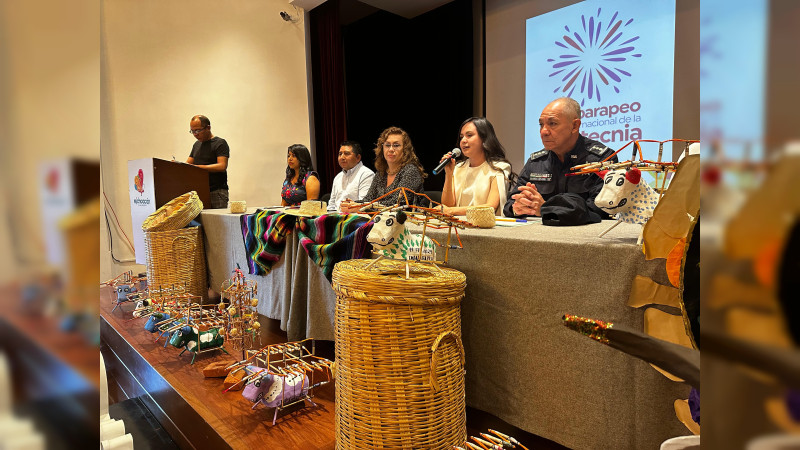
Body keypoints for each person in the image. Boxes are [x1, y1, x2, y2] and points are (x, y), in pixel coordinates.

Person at [503, 97, 618, 218]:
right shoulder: (536, 162)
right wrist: (519, 207)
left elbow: (600, 209)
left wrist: (546, 209)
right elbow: (510, 204)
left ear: (575, 126)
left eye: (552, 123)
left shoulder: (602, 159)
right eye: (541, 124)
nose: (543, 132)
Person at [439, 117, 515, 216]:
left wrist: (452, 211)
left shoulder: (499, 168)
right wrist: (449, 174)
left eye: (469, 135)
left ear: (484, 138)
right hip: (458, 223)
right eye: (461, 137)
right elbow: (447, 206)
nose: (463, 140)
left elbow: (490, 208)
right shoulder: (458, 168)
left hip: (485, 224)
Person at [340, 126, 425, 212]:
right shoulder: (381, 172)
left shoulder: (411, 171)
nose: (391, 149)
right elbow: (369, 199)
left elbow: (397, 203)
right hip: (382, 218)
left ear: (405, 149)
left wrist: (362, 206)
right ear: (382, 148)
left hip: (410, 218)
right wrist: (353, 204)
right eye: (387, 145)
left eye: (396, 145)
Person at [187, 115, 230, 209]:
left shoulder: (220, 143)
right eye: (192, 131)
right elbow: (188, 165)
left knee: (217, 218)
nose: (195, 134)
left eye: (198, 130)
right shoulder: (196, 145)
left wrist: (199, 168)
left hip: (217, 192)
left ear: (208, 128)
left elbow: (222, 166)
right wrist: (176, 165)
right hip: (200, 192)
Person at [327, 141, 375, 212]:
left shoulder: (367, 175)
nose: (342, 157)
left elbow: (364, 205)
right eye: (340, 154)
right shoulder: (338, 177)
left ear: (358, 158)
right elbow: (332, 205)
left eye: (346, 154)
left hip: (356, 216)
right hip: (337, 216)